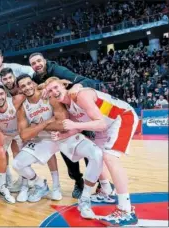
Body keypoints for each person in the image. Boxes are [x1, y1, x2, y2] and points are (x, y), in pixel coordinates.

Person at [45, 77, 139, 226]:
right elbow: (81, 126)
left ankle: (126, 210)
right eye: (50, 91)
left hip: (122, 117)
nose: (54, 92)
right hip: (106, 125)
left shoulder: (81, 95)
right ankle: (106, 191)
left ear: (64, 86)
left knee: (110, 158)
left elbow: (100, 123)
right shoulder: (69, 107)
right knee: (97, 155)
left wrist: (73, 124)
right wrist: (63, 135)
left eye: (56, 87)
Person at [29, 52, 100, 198]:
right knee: (66, 152)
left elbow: (89, 81)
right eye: (33, 63)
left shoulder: (58, 71)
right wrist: (42, 88)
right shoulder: (35, 78)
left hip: (79, 114)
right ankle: (78, 182)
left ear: (45, 61)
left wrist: (78, 86)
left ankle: (100, 182)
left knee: (89, 151)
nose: (37, 65)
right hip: (63, 119)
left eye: (38, 61)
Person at [13, 75, 63, 203]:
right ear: (20, 89)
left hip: (60, 136)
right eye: (23, 86)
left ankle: (56, 187)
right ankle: (40, 184)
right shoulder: (23, 108)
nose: (27, 87)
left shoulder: (48, 95)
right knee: (17, 163)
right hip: (40, 139)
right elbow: (24, 135)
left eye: (29, 83)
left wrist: (34, 128)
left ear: (34, 83)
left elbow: (62, 123)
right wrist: (45, 123)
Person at [0, 85, 25, 192]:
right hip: (4, 134)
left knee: (17, 154)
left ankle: (23, 180)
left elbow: (32, 92)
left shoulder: (15, 101)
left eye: (1, 94)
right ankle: (7, 176)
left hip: (18, 132)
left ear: (6, 94)